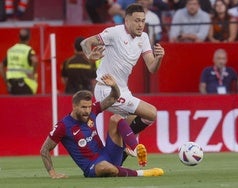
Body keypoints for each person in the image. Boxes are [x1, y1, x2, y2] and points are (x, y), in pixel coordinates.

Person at [80, 3, 165, 161]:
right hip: (107, 89)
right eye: (137, 20)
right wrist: (89, 56)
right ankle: (128, 143)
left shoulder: (144, 38)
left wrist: (159, 58)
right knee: (151, 113)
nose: (140, 24)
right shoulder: (114, 33)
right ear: (126, 21)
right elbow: (85, 43)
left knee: (128, 122)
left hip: (123, 90)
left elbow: (152, 68)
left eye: (143, 21)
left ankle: (115, 161)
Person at [40, 74, 164, 178]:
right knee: (104, 167)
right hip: (93, 166)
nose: (87, 111)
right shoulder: (63, 126)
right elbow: (44, 150)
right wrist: (52, 173)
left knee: (115, 118)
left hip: (108, 154)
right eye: (83, 107)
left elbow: (114, 97)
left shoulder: (93, 110)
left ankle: (136, 149)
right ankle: (142, 173)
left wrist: (114, 85)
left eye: (89, 107)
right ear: (74, 106)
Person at [0, 28, 38, 95]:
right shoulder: (28, 50)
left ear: (19, 37)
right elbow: (35, 61)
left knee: (15, 104)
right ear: (29, 38)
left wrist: (6, 82)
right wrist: (33, 73)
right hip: (24, 83)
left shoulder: (11, 50)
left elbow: (1, 65)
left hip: (11, 83)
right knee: (26, 104)